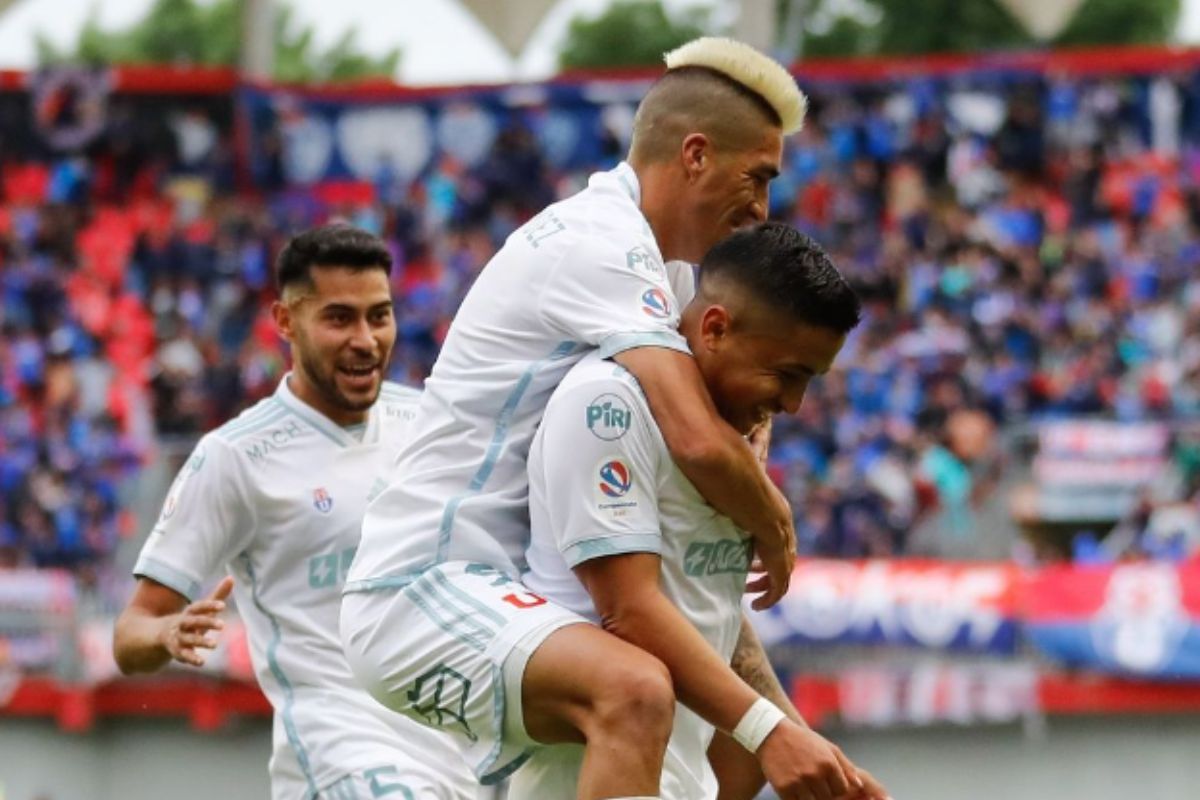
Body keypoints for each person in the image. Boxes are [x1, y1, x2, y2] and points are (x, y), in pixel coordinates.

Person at [342, 38, 874, 799]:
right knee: (634, 691)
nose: (762, 208)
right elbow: (699, 441)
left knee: (666, 708)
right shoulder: (599, 244)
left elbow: (698, 559)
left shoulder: (674, 279)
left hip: (513, 602)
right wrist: (775, 520)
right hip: (423, 587)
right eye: (757, 177)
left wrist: (774, 726)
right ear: (694, 155)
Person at [513, 222, 887, 800]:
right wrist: (769, 733)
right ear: (714, 327)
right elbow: (629, 611)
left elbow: (707, 616)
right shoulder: (608, 405)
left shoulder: (729, 445)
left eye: (809, 382)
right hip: (579, 776)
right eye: (787, 375)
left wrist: (797, 740)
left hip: (683, 779)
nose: (793, 404)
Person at [113, 225, 478, 800]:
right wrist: (167, 631)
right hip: (342, 756)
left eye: (378, 316)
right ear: (286, 323)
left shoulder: (432, 423)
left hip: (460, 748)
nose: (365, 339)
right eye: (339, 319)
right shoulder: (235, 458)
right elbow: (129, 635)